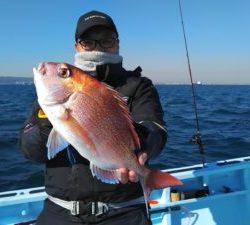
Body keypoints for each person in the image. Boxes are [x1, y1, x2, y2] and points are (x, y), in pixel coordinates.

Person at [19, 10, 167, 225]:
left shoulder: (138, 86)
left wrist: (140, 148)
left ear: (117, 43)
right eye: (88, 42)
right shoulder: (50, 97)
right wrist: (51, 118)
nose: (98, 47)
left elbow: (154, 128)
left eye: (107, 40)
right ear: (77, 46)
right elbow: (30, 150)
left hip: (124, 211)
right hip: (60, 211)